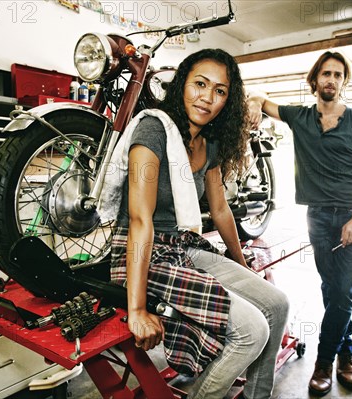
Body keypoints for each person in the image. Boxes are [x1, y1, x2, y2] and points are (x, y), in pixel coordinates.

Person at [106, 48, 290, 399]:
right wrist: (137, 309)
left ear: (228, 100)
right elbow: (140, 221)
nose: (207, 98)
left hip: (183, 247)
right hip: (143, 253)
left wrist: (241, 263)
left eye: (219, 91)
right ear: (182, 86)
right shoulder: (153, 130)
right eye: (200, 84)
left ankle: (257, 396)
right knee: (251, 330)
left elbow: (220, 209)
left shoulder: (211, 142)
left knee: (277, 305)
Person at [247, 51, 352, 396]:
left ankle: (325, 362)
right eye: (326, 73)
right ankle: (347, 354)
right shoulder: (300, 117)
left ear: (344, 82)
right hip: (318, 218)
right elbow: (263, 102)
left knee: (341, 293)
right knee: (332, 289)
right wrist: (253, 102)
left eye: (338, 75)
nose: (332, 80)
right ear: (315, 80)